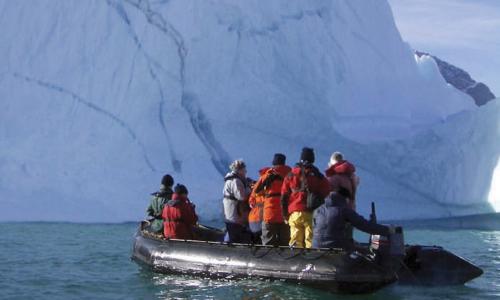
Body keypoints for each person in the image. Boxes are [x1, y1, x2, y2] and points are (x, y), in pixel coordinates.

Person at [281, 148, 330, 248]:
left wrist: (285, 215)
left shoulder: (291, 174)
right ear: (313, 160)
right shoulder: (318, 175)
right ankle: (310, 261)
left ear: (300, 159)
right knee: (310, 242)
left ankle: (295, 260)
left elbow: (284, 196)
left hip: (294, 213)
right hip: (311, 213)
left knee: (295, 242)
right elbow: (326, 191)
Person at [312, 189, 392, 249]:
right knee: (364, 251)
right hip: (336, 246)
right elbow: (363, 225)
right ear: (345, 198)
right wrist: (388, 230)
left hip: (316, 245)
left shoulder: (318, 210)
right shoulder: (343, 210)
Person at [251, 153, 292, 246]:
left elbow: (256, 192)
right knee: (285, 242)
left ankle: (268, 259)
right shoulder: (291, 174)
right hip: (285, 213)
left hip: (270, 212)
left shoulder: (268, 175)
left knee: (268, 242)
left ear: (274, 163)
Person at [223, 159, 252, 243]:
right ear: (239, 170)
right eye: (244, 170)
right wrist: (248, 188)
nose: (245, 172)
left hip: (231, 212)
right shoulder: (236, 181)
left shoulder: (230, 179)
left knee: (231, 229)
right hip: (235, 212)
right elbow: (241, 196)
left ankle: (227, 243)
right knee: (235, 231)